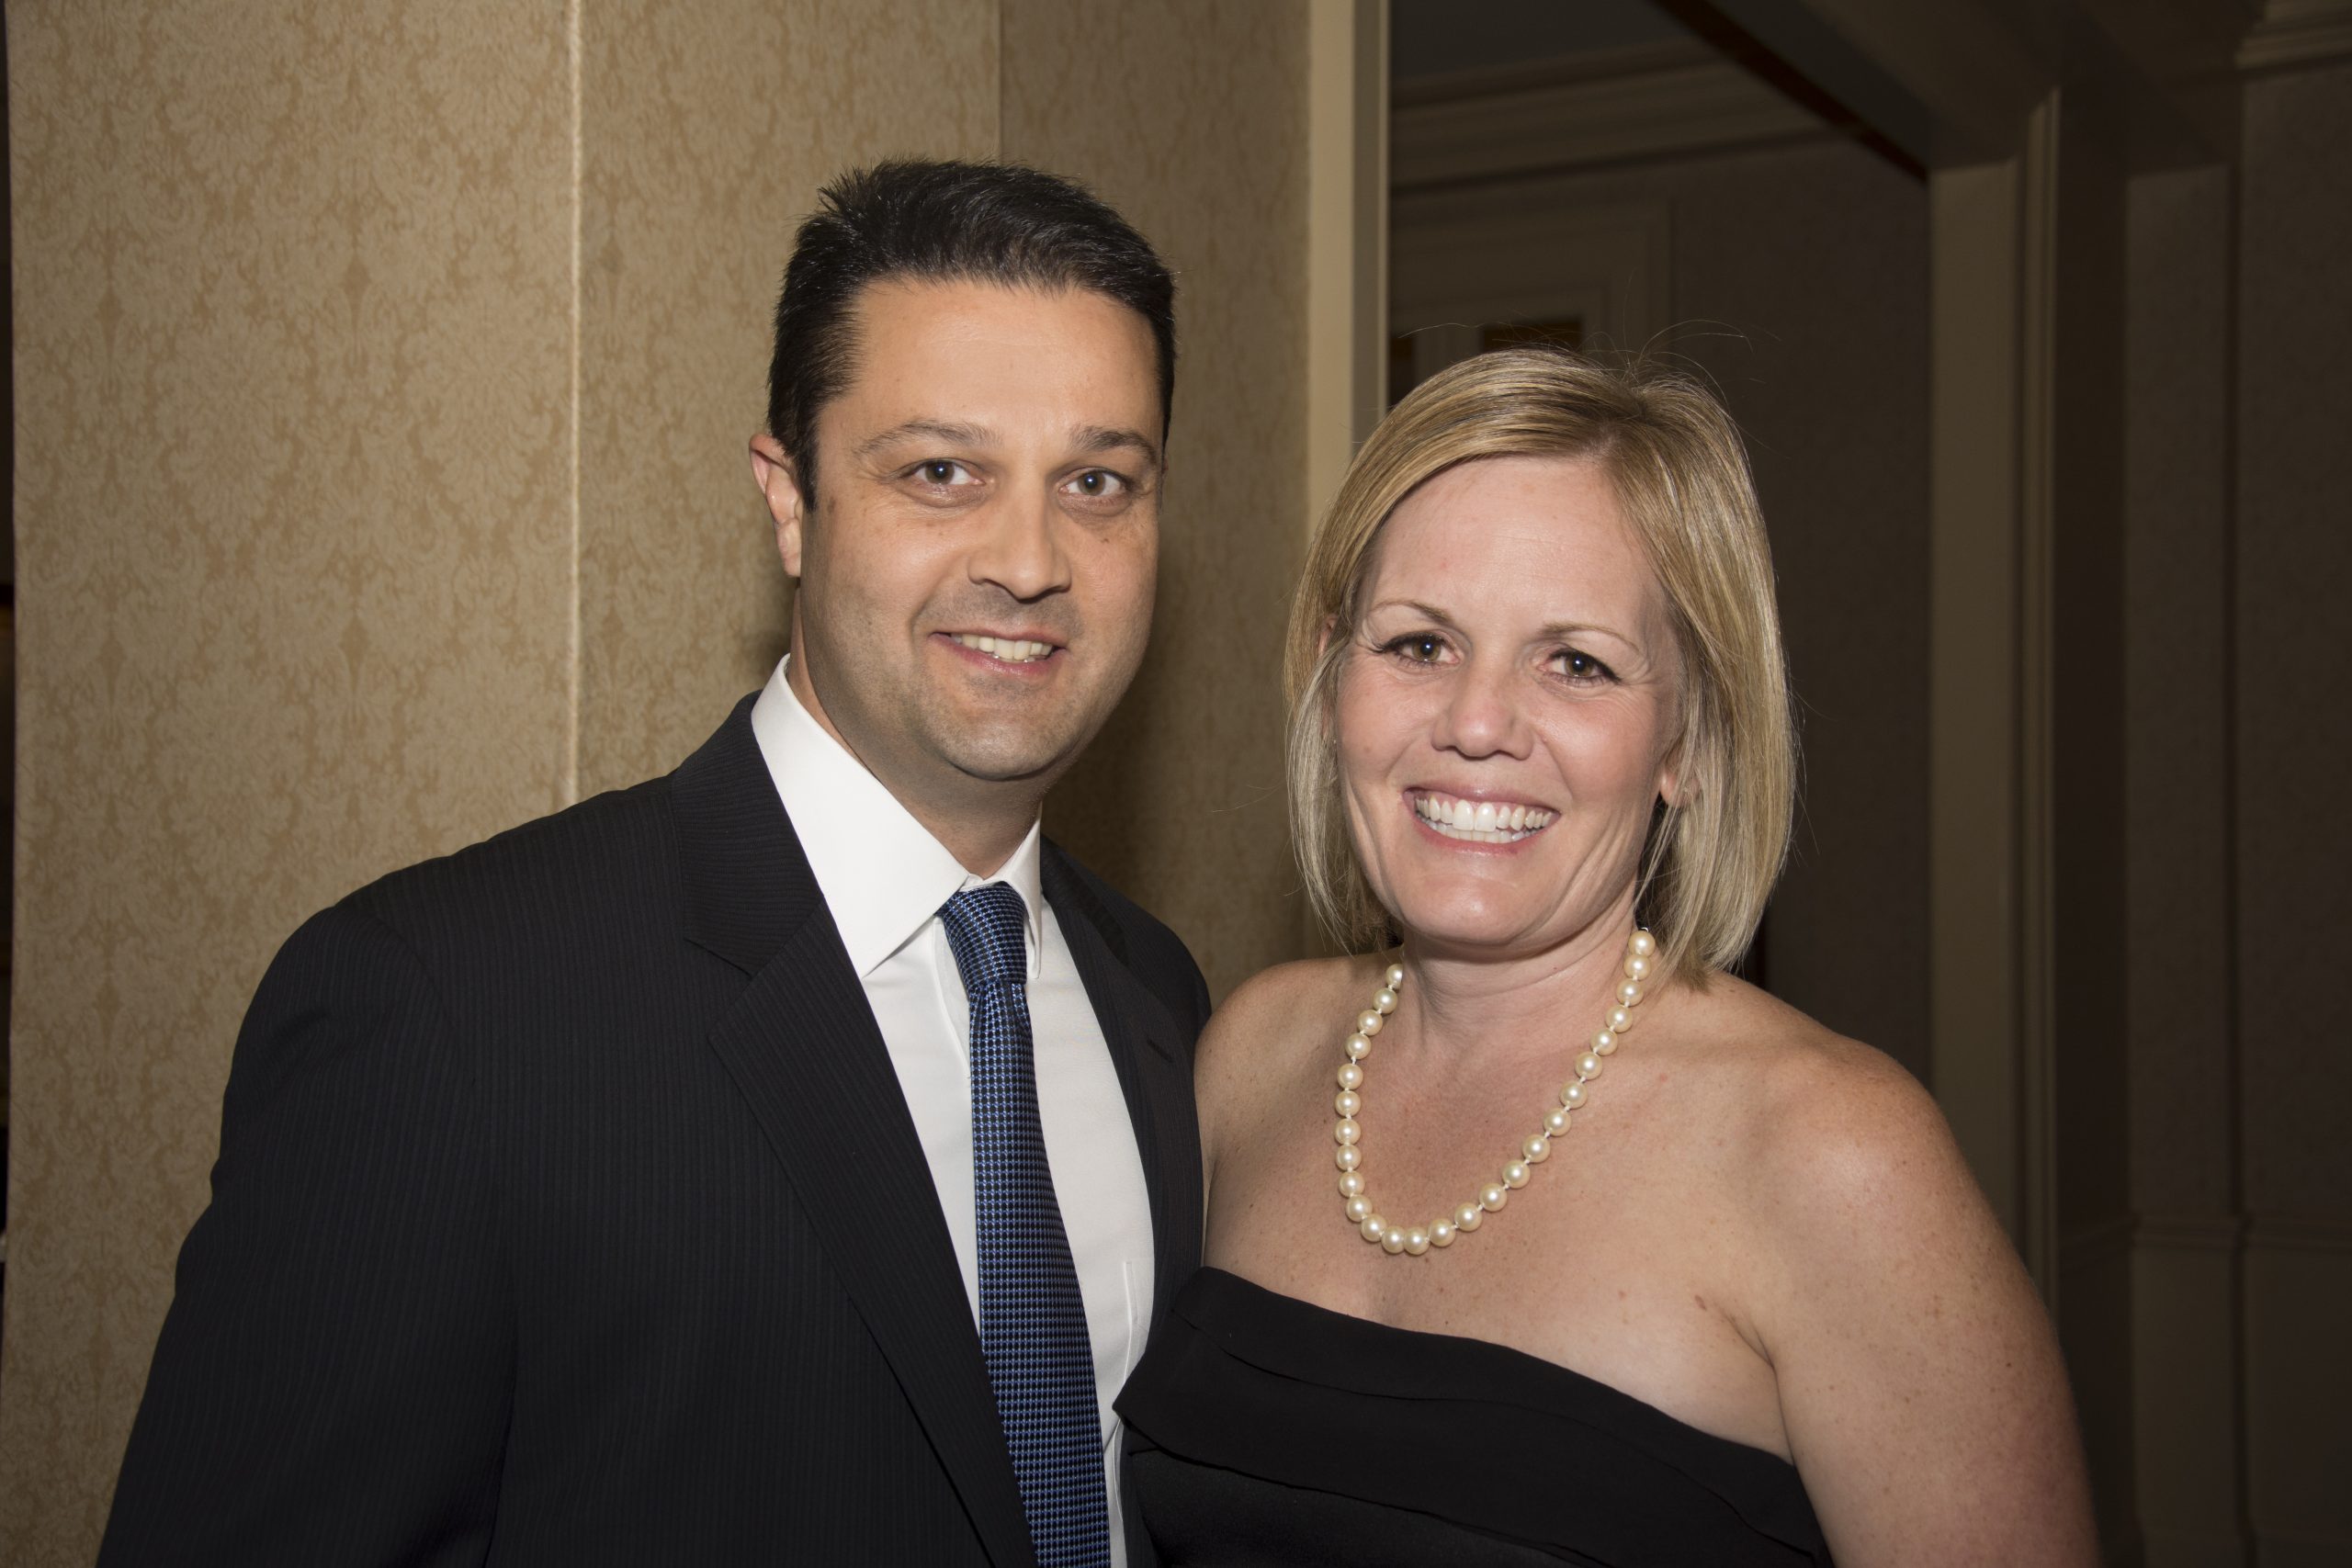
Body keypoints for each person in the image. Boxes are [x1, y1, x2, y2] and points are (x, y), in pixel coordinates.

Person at [102, 159, 1207, 1568]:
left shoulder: (1160, 999)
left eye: (1099, 482)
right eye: (942, 472)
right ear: (790, 500)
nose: (1031, 559)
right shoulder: (446, 1013)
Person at [1116, 346, 2098, 1565]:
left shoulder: (1837, 1157)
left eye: (1575, 662)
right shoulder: (1250, 1055)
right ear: (1332, 677)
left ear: (1688, 740)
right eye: (1419, 644)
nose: (1477, 723)